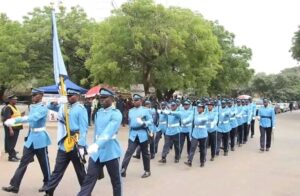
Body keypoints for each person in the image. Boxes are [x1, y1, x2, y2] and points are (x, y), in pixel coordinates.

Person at [2, 88, 51, 194]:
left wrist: (15, 120)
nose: (32, 97)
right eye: (32, 95)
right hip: (31, 139)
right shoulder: (32, 106)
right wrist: (27, 137)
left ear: (41, 95)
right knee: (23, 163)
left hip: (40, 139)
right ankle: (15, 185)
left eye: (35, 95)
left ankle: (48, 184)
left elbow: (33, 118)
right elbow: (31, 125)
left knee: (44, 163)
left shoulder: (43, 107)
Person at [43, 88, 88, 196]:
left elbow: (83, 128)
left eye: (71, 95)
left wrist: (81, 144)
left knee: (80, 172)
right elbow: (49, 107)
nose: (69, 97)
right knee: (57, 170)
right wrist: (55, 102)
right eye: (68, 95)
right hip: (64, 143)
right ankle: (49, 192)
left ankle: (86, 193)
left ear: (77, 96)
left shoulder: (81, 109)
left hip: (76, 142)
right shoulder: (63, 106)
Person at [78, 88, 122, 196]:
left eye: (104, 97)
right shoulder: (99, 113)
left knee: (115, 181)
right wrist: (92, 146)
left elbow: (108, 132)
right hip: (97, 154)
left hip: (110, 152)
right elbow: (96, 133)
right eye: (100, 98)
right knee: (89, 180)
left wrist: (96, 145)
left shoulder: (116, 114)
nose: (102, 100)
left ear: (112, 98)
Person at [121, 94, 153, 178]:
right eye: (133, 100)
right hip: (133, 134)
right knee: (129, 152)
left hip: (142, 134)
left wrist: (144, 123)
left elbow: (151, 121)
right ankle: (123, 169)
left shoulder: (146, 110)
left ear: (141, 101)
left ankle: (147, 170)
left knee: (145, 153)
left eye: (136, 100)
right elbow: (129, 122)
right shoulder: (131, 111)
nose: (134, 102)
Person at [184, 103, 208, 167]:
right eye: (198, 107)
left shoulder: (205, 114)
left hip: (203, 134)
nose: (199, 109)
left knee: (202, 149)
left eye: (200, 108)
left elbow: (205, 119)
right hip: (195, 133)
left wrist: (201, 119)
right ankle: (189, 161)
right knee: (192, 147)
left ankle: (202, 161)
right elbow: (190, 118)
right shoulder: (194, 114)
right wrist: (185, 120)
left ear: (203, 109)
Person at [2, 95, 23, 162]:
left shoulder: (14, 107)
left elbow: (14, 116)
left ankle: (13, 154)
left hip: (16, 127)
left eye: (16, 99)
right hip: (11, 128)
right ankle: (11, 157)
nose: (16, 100)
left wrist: (21, 115)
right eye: (14, 99)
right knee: (11, 142)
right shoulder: (8, 108)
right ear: (10, 100)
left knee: (13, 142)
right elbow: (7, 119)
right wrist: (10, 129)